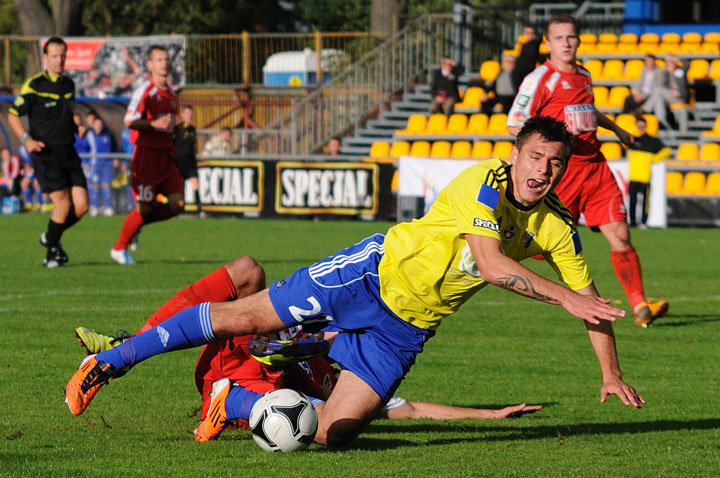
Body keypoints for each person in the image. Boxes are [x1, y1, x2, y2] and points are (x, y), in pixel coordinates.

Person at [66, 117, 644, 448]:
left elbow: (593, 306)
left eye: (555, 164)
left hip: (406, 329)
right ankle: (114, 360)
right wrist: (563, 297)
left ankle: (230, 397)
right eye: (536, 157)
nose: (543, 171)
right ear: (516, 153)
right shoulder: (484, 182)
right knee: (245, 317)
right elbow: (491, 265)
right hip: (369, 275)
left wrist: (610, 372)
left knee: (330, 435)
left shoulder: (555, 228)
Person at [74, 258, 542, 442]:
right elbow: (271, 336)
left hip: (240, 379)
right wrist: (300, 342)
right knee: (245, 271)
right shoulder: (332, 340)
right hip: (240, 348)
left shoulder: (349, 389)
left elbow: (413, 407)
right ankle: (127, 347)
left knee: (304, 420)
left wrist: (488, 416)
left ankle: (226, 403)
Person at [507, 13, 669, 328]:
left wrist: (618, 129)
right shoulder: (540, 78)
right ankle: (491, 261)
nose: (566, 43)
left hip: (596, 167)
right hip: (563, 172)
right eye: (559, 38)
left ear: (578, 40)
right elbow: (514, 122)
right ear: (548, 42)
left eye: (571, 37)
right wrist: (547, 146)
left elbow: (588, 109)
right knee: (543, 246)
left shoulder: (583, 74)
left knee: (621, 234)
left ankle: (639, 306)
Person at [8, 36, 88, 268]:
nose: (60, 60)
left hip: (69, 151)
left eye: (63, 55)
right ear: (45, 57)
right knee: (62, 206)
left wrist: (78, 125)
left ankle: (50, 237)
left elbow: (69, 115)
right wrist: (26, 140)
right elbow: (13, 114)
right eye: (55, 56)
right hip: (46, 153)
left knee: (82, 206)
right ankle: (52, 253)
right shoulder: (35, 85)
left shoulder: (69, 84)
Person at [110, 45, 184, 265]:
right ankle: (119, 248)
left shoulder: (171, 93)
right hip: (147, 156)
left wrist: (178, 129)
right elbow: (129, 121)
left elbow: (167, 124)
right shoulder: (146, 89)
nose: (165, 63)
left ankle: (135, 225)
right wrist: (153, 123)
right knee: (144, 207)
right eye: (159, 59)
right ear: (150, 65)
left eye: (166, 59)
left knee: (177, 205)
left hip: (167, 157)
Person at [626, 117, 671, 229]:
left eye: (643, 126)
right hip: (633, 175)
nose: (641, 129)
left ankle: (643, 222)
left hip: (645, 176)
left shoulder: (652, 141)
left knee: (645, 202)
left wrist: (654, 159)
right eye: (639, 126)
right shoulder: (632, 139)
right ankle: (632, 222)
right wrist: (634, 130)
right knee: (632, 200)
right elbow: (624, 140)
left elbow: (667, 151)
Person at [624, 55, 675, 129]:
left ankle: (644, 115)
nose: (649, 64)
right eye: (647, 62)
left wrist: (645, 95)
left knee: (654, 99)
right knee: (628, 99)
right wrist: (637, 93)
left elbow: (658, 86)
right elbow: (640, 83)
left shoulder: (660, 71)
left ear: (654, 62)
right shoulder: (644, 70)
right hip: (642, 93)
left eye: (651, 62)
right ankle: (625, 120)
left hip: (651, 94)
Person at [173, 105, 200, 214]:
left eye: (191, 114)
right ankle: (179, 209)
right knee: (180, 188)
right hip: (179, 163)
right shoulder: (176, 129)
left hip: (190, 163)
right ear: (182, 115)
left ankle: (199, 208)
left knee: (195, 184)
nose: (189, 116)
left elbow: (193, 145)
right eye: (187, 114)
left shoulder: (192, 129)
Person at [87, 117, 115, 217]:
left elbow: (113, 147)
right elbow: (88, 149)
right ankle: (95, 206)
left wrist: (114, 158)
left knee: (106, 185)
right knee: (94, 185)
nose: (99, 126)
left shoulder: (108, 134)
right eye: (97, 124)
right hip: (95, 164)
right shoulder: (90, 135)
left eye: (100, 124)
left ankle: (107, 206)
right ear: (93, 125)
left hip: (106, 164)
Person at [513, 25, 541, 91]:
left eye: (532, 33)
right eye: (527, 33)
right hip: (520, 75)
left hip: (528, 75)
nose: (530, 35)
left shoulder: (534, 45)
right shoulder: (522, 44)